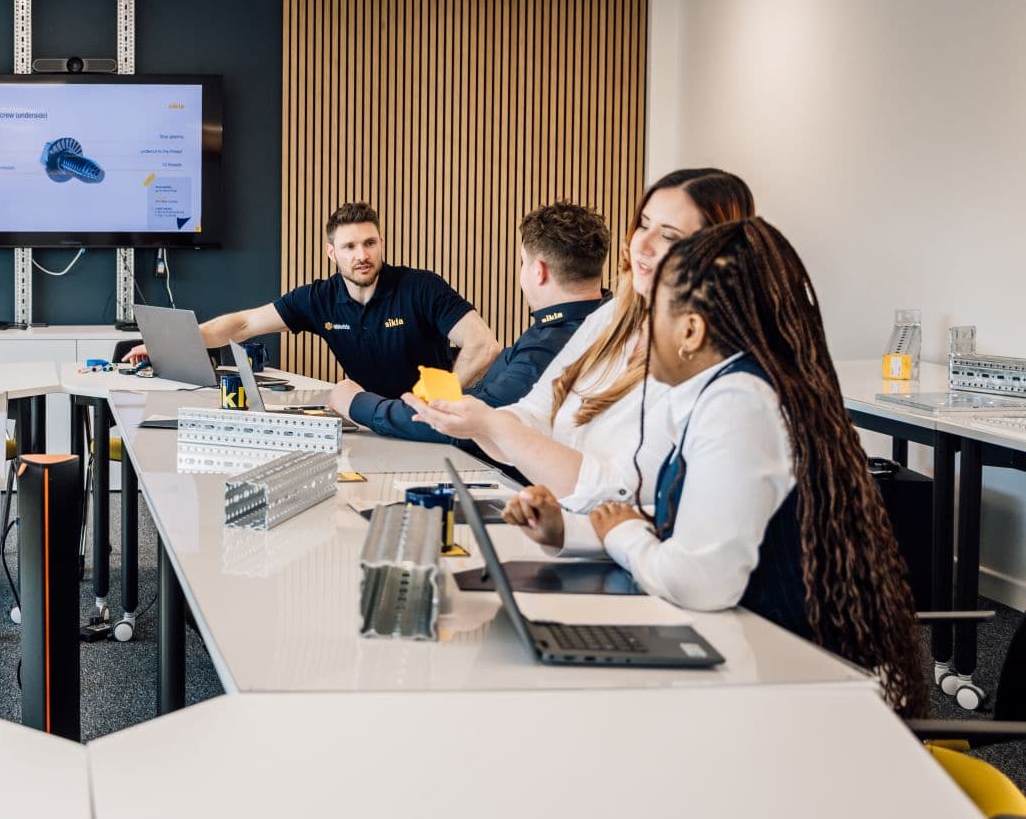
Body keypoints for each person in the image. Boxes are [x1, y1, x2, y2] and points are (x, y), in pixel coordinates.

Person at [502, 218, 927, 716]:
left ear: (691, 330)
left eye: (650, 317)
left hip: (801, 690)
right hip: (762, 656)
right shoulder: (717, 389)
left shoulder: (739, 402)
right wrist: (564, 532)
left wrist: (622, 537)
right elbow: (675, 526)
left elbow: (699, 580)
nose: (635, 338)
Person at [405, 169, 755, 534]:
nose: (642, 245)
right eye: (643, 225)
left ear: (715, 253)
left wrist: (490, 423)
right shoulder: (612, 314)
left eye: (668, 236)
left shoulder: (712, 361)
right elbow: (536, 414)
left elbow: (627, 494)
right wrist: (476, 423)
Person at [125, 201, 500, 397]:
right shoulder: (320, 299)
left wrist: (437, 400)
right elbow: (243, 323)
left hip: (434, 415)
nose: (362, 255)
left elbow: (484, 345)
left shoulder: (421, 288)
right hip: (372, 416)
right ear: (331, 252)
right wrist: (164, 345)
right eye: (349, 246)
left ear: (381, 244)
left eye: (370, 243)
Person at [328, 202, 610, 440]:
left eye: (523, 262)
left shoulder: (550, 347)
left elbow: (465, 425)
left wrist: (358, 404)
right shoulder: (603, 324)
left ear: (539, 272)